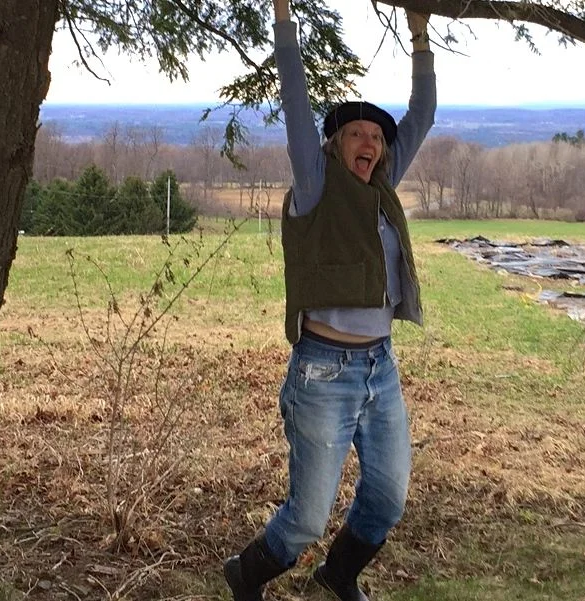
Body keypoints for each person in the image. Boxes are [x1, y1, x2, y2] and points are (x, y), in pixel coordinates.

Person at [223, 1, 436, 601]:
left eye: (377, 136)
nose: (370, 141)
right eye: (356, 134)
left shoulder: (381, 188)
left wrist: (420, 37)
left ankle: (338, 574)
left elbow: (422, 114)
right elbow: (296, 102)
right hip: (323, 371)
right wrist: (283, 17)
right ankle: (246, 573)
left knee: (388, 497)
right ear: (334, 143)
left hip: (379, 367)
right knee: (308, 517)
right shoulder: (316, 185)